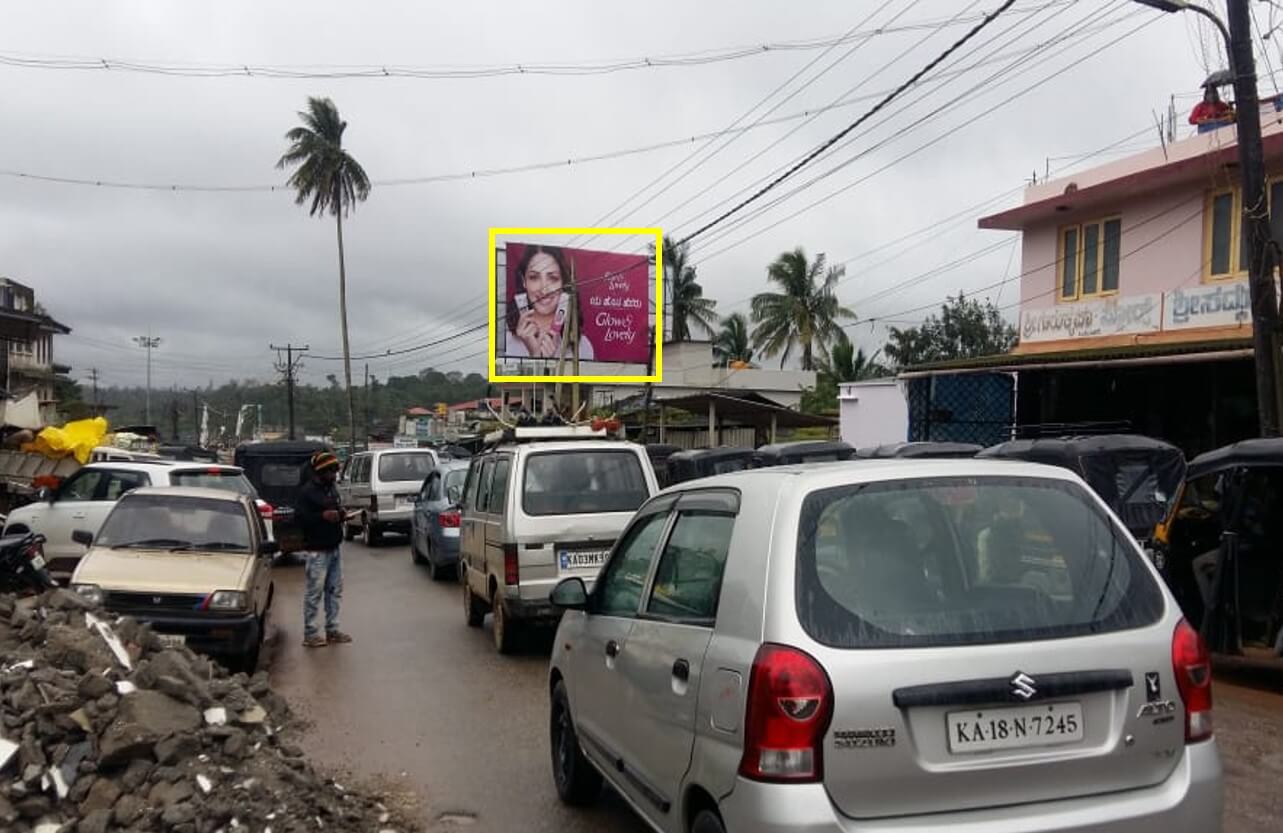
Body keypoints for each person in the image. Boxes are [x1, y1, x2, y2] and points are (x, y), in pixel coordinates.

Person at [295, 451, 352, 648]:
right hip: (317, 550)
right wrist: (322, 517)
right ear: (321, 471)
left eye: (335, 471)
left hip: (334, 547)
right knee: (314, 593)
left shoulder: (331, 489)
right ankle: (310, 633)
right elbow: (300, 519)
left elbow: (335, 509)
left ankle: (332, 630)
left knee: (334, 591)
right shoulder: (307, 492)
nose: (335, 475)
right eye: (331, 471)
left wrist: (341, 514)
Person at [505, 245, 595, 360]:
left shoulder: (582, 347)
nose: (544, 290)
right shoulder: (508, 344)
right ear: (524, 281)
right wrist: (536, 356)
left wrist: (554, 361)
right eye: (534, 277)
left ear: (563, 283)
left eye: (553, 278)